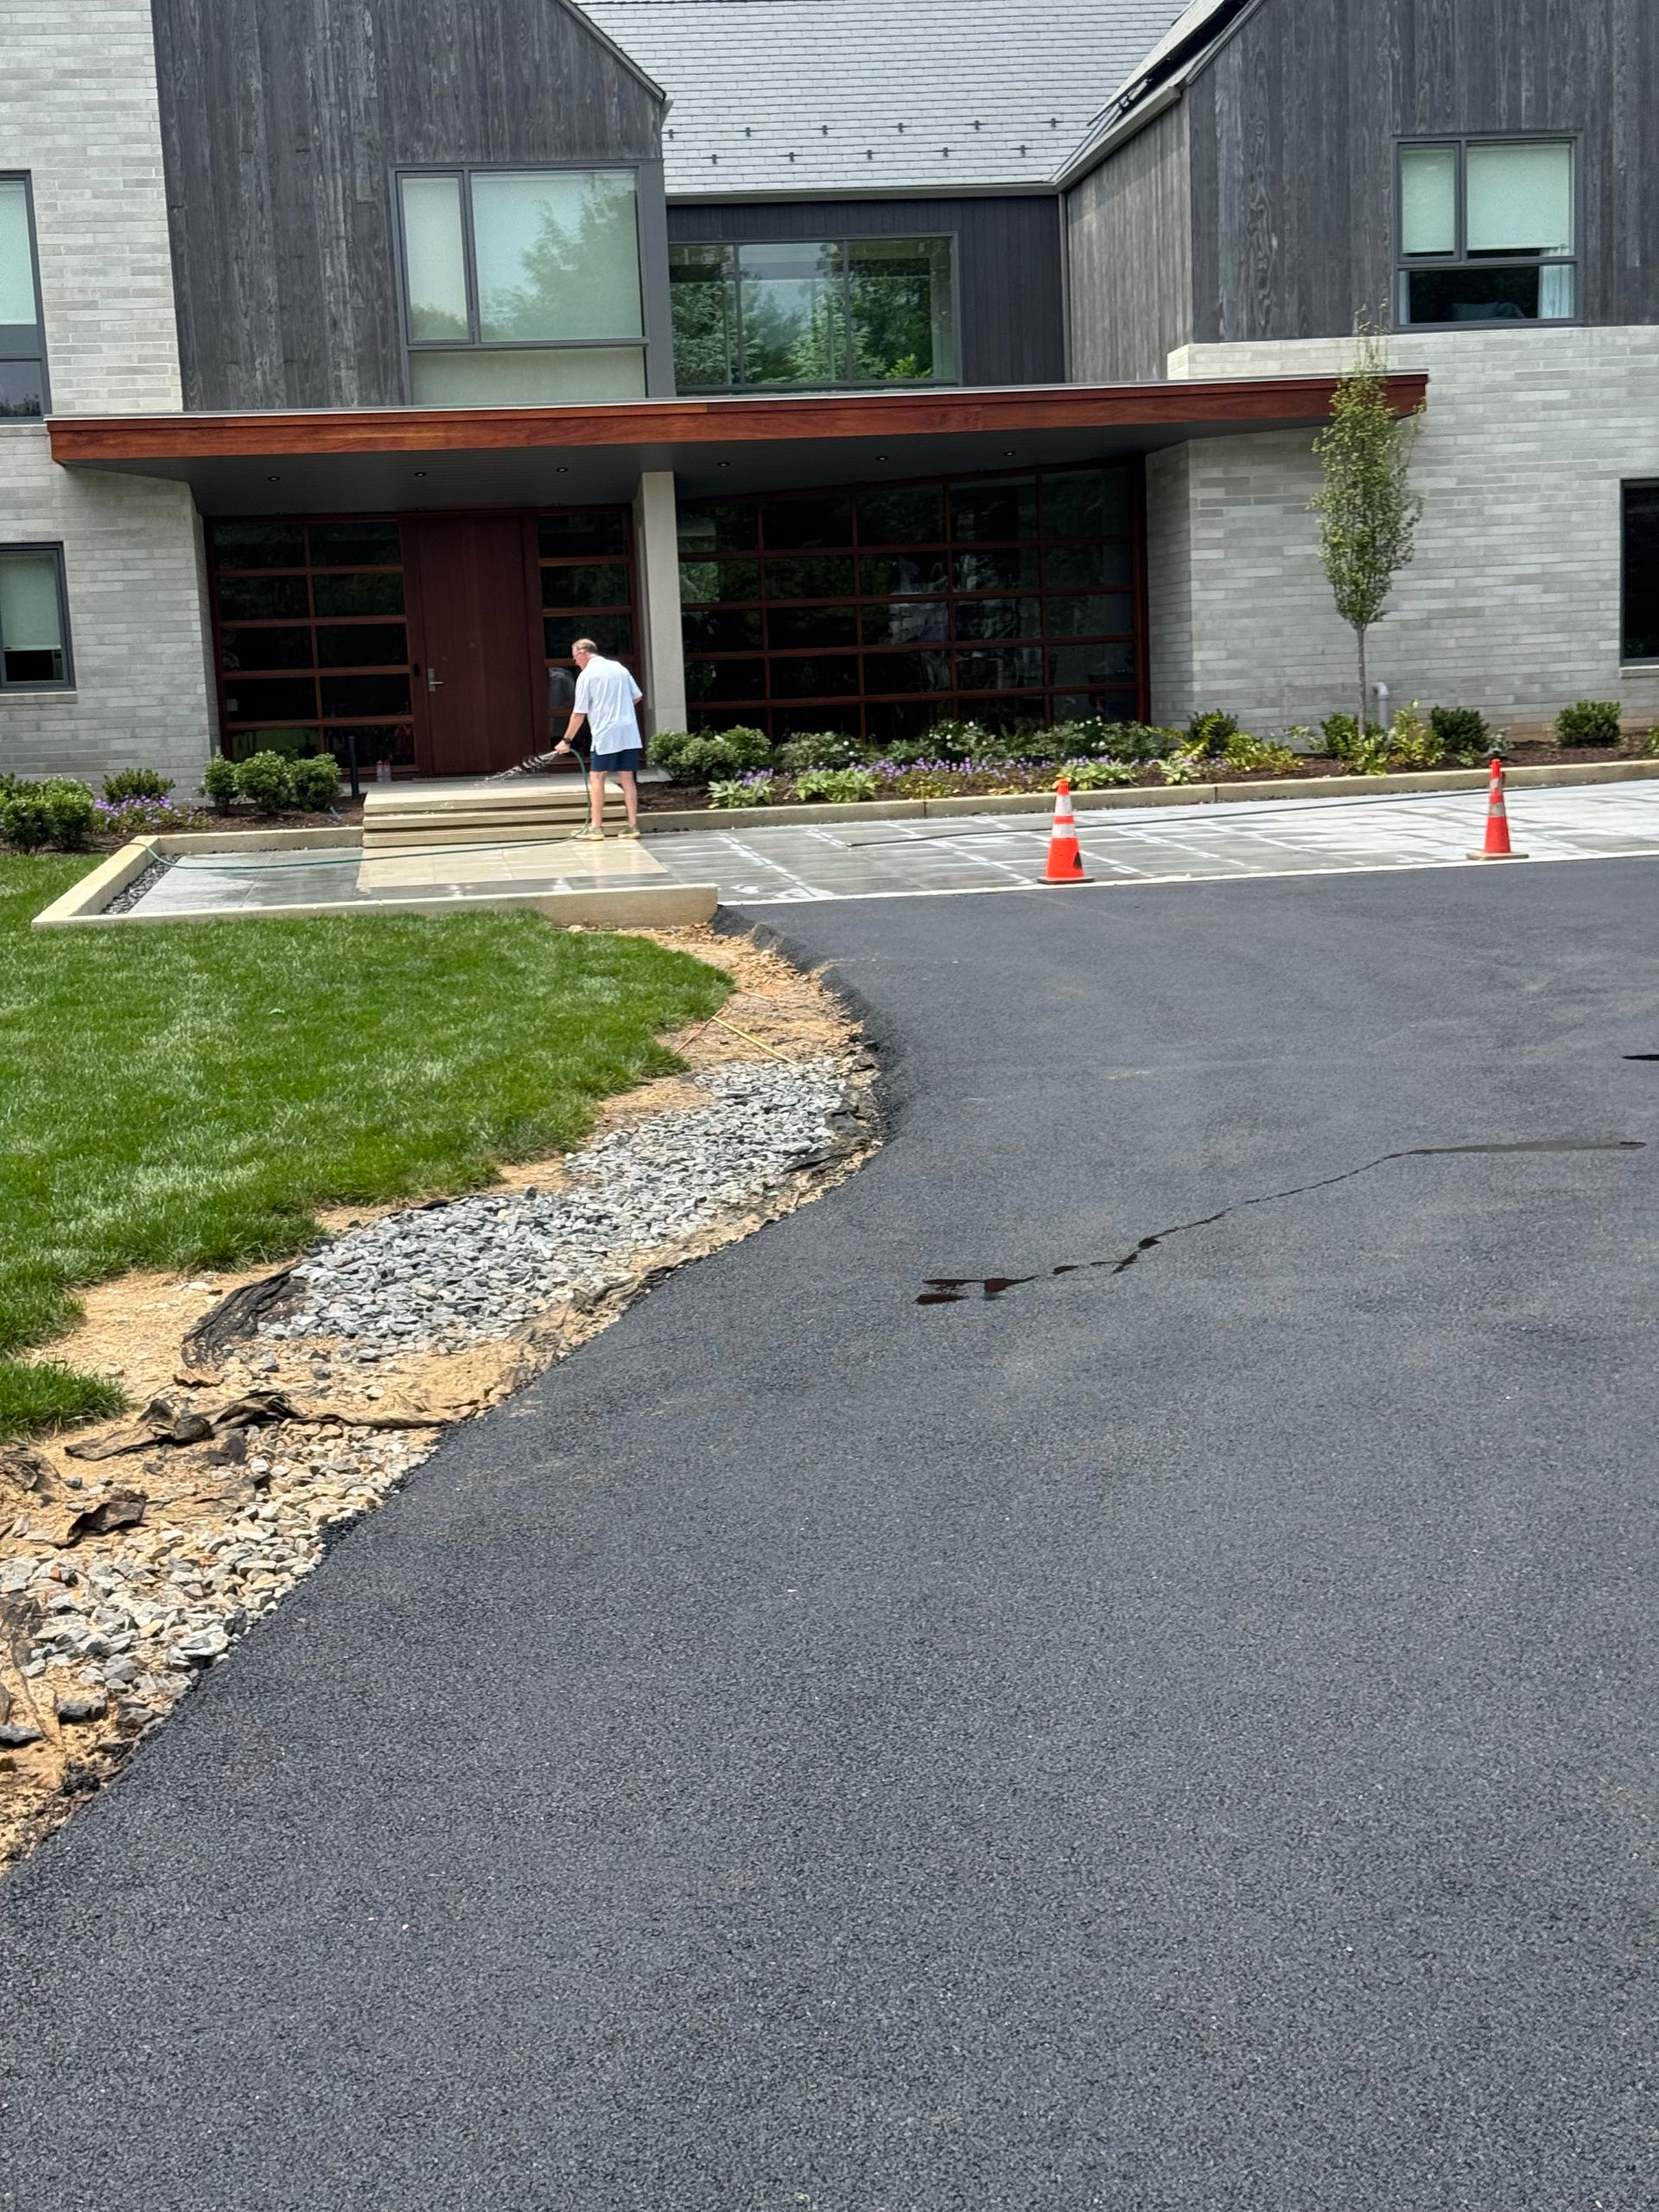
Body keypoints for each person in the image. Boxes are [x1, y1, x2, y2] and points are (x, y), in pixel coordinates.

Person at [552, 639, 643, 839]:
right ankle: (633, 826)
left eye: (575, 657)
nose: (576, 662)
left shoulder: (587, 675)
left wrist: (566, 740)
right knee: (627, 777)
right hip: (628, 732)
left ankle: (596, 827)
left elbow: (579, 713)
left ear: (584, 653)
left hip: (605, 734)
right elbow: (636, 696)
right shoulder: (619, 668)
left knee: (597, 776)